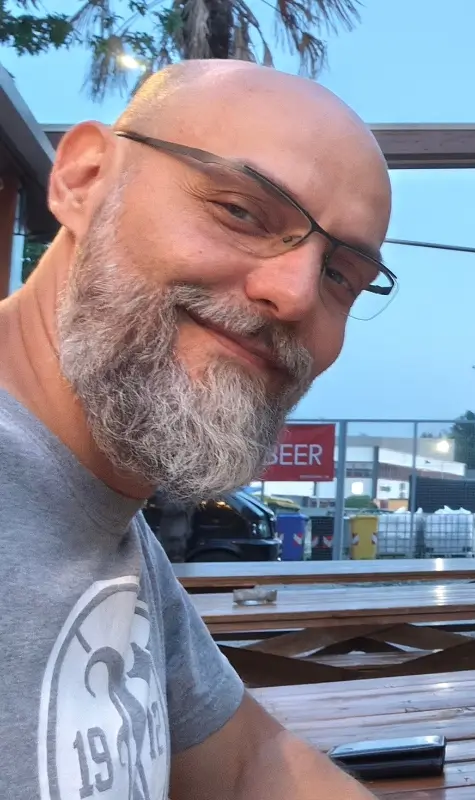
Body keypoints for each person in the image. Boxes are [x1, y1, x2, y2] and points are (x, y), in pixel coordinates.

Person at [0, 59, 393, 798]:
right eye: (241, 211)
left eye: (341, 275)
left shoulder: (104, 519)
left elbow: (248, 765)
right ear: (85, 179)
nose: (294, 295)